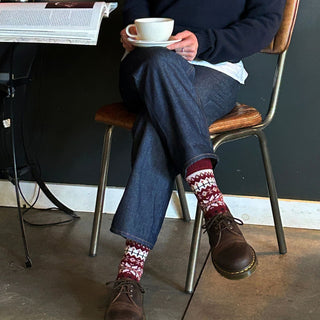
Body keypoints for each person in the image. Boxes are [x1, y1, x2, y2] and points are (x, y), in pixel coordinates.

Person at [104, 1, 286, 319]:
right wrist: (135, 30)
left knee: (155, 123)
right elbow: (135, 3)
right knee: (160, 67)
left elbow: (265, 22)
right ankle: (214, 207)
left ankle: (129, 273)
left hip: (214, 70)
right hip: (145, 64)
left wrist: (204, 42)